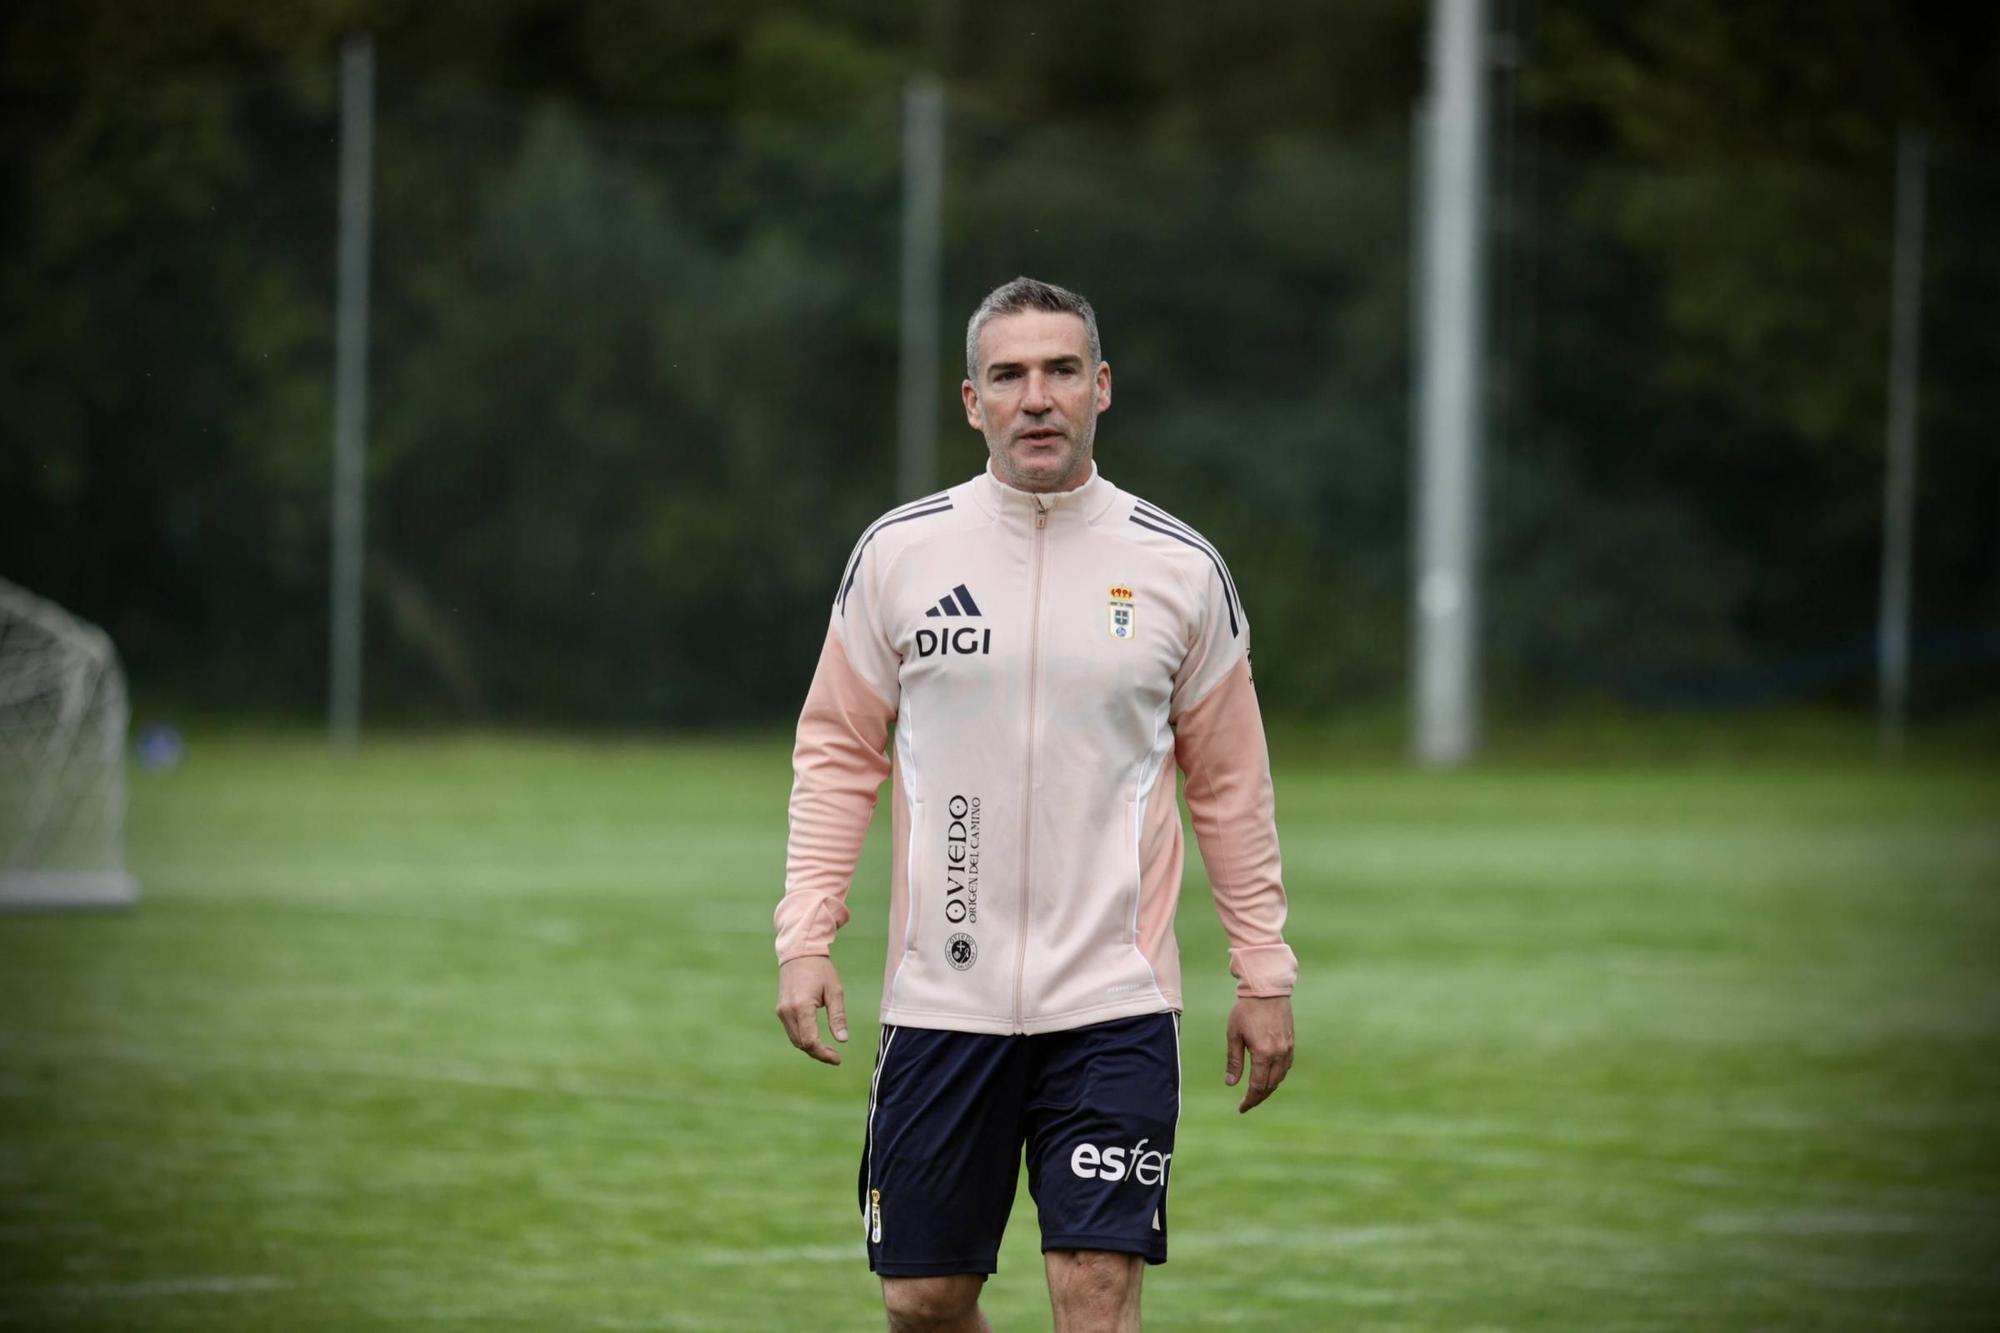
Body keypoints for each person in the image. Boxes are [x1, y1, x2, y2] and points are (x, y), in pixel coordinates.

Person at [775, 276, 1297, 1333]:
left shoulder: (1179, 567)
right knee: (923, 1301)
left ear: (1101, 388)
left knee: (1093, 1295)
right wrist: (805, 935)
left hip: (1113, 1000)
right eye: (1008, 376)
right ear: (972, 402)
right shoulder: (899, 554)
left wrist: (1264, 970)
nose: (1037, 397)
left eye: (1061, 371)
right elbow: (836, 752)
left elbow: (1231, 783)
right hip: (942, 997)